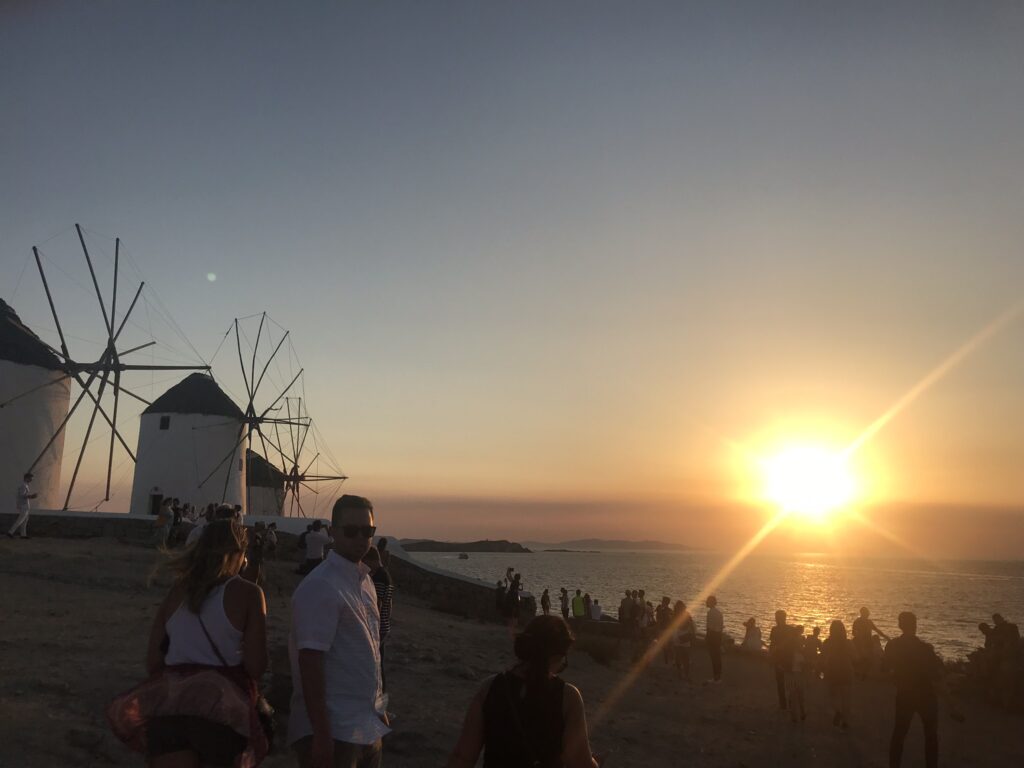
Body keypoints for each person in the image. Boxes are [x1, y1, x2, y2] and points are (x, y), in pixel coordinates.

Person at [107, 518, 269, 767]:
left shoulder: (176, 592)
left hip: (171, 711)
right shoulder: (248, 593)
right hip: (220, 714)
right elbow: (256, 666)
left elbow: (153, 662)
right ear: (240, 554)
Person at [288, 494, 388, 768]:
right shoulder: (321, 586)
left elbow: (368, 652)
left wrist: (378, 708)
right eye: (351, 531)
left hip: (364, 724)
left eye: (367, 531)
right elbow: (310, 662)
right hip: (335, 729)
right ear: (332, 533)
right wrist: (321, 734)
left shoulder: (364, 581)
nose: (360, 538)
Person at [446, 615, 602, 768]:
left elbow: (463, 757)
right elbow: (579, 762)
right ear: (556, 656)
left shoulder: (490, 686)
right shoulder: (568, 697)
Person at [885, 611, 948, 768]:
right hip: (926, 696)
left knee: (899, 734)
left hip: (904, 694)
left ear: (900, 625)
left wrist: (896, 677)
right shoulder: (925, 648)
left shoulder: (892, 646)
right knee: (931, 736)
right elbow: (936, 673)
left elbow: (885, 668)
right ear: (915, 626)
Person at [363, 546, 394, 693]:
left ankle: (380, 701)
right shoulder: (386, 575)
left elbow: (378, 604)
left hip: (379, 628)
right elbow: (390, 603)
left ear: (372, 560)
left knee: (376, 666)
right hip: (384, 626)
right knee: (379, 664)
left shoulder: (379, 577)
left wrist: (374, 626)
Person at [821, 619, 854, 729]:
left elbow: (823, 657)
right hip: (846, 671)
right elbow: (856, 657)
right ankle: (845, 723)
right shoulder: (848, 643)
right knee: (846, 699)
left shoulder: (827, 643)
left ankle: (838, 711)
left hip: (832, 671)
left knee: (832, 696)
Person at [852, 607, 888, 679]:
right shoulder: (857, 622)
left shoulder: (869, 622)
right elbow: (853, 632)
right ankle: (861, 673)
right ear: (863, 613)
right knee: (863, 658)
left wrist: (886, 637)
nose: (868, 614)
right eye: (867, 613)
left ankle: (863, 673)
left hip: (868, 642)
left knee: (868, 658)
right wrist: (859, 636)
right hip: (860, 642)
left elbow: (877, 630)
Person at [784, 625, 807, 723]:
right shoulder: (799, 648)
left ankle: (794, 715)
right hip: (797, 673)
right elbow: (803, 663)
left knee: (792, 694)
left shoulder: (788, 645)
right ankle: (801, 712)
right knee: (799, 694)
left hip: (790, 672)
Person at [768, 610, 790, 710]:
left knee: (787, 683)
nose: (776, 619)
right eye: (776, 617)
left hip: (786, 659)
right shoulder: (775, 629)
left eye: (778, 617)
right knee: (780, 683)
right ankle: (783, 704)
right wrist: (771, 655)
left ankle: (787, 703)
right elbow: (772, 644)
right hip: (778, 659)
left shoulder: (789, 630)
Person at [7, 472, 37, 539]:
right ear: (26, 478)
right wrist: (31, 496)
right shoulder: (23, 485)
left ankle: (23, 535)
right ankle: (10, 532)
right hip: (23, 505)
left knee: (25, 520)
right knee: (20, 520)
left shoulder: (25, 485)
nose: (31, 480)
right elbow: (22, 495)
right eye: (30, 478)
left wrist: (31, 496)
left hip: (25, 505)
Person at [674, 601, 696, 681]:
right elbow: (691, 625)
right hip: (683, 635)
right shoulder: (685, 614)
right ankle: (684, 674)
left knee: (681, 656)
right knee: (683, 657)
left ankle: (682, 673)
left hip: (680, 635)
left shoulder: (678, 614)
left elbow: (690, 625)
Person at [705, 595, 724, 683]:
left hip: (712, 635)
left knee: (714, 657)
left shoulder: (710, 613)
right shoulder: (719, 613)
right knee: (717, 657)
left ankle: (715, 677)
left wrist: (707, 638)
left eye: (707, 601)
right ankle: (718, 677)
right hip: (718, 635)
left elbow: (709, 628)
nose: (706, 602)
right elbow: (721, 627)